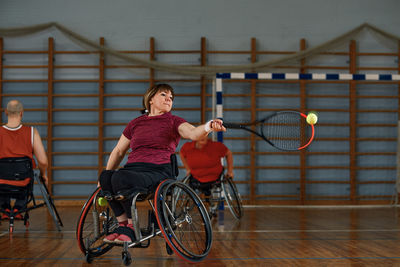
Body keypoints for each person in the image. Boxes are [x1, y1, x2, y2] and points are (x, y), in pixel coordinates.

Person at [99, 83, 225, 244]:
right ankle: (122, 224)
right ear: (151, 99)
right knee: (105, 176)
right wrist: (103, 182)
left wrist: (209, 126)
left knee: (119, 178)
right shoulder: (135, 123)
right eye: (164, 95)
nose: (169, 99)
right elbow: (118, 151)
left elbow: (193, 133)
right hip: (133, 170)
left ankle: (130, 227)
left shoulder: (173, 121)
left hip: (157, 171)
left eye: (171, 97)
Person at [0, 100, 48, 220]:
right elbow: (42, 161)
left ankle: (4, 208)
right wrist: (43, 175)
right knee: (27, 175)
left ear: (6, 112)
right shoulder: (32, 132)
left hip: (1, 182)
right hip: (23, 182)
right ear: (21, 113)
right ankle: (18, 208)